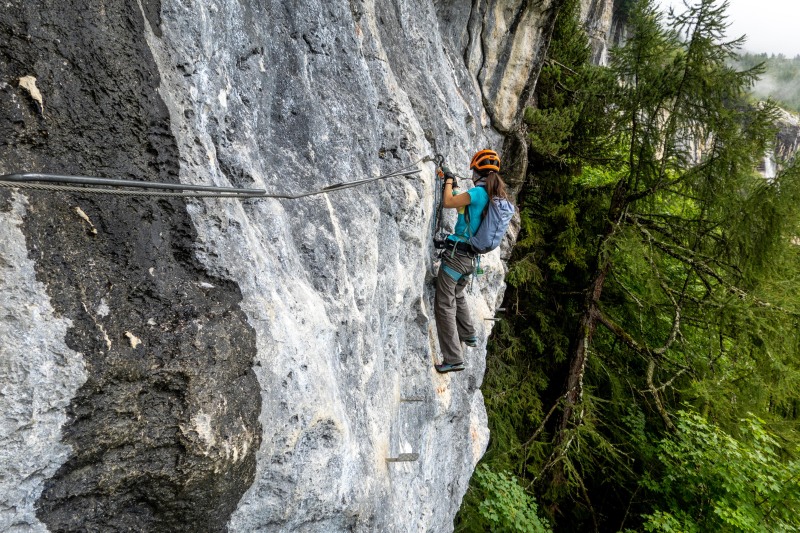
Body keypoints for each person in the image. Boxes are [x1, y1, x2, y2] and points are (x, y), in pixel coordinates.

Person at [434, 149, 509, 373]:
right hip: (470, 260)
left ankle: (454, 358)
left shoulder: (477, 193)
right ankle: (469, 334)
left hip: (457, 257)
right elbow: (462, 207)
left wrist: (447, 182)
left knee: (444, 304)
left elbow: (448, 202)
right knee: (457, 294)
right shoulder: (491, 196)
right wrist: (453, 184)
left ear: (477, 172)